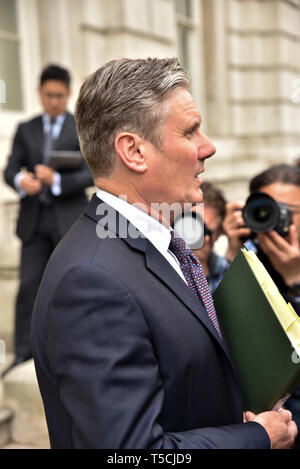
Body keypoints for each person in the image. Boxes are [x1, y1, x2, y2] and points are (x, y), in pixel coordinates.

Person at [31, 58, 297, 449]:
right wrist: (256, 437)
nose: (209, 147)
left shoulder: (158, 244)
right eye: (191, 132)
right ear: (134, 151)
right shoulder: (91, 281)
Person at [3, 64, 93, 369]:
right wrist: (21, 182)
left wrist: (55, 181)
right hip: (34, 222)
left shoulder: (81, 128)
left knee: (71, 286)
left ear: (68, 95)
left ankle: (73, 353)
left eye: (59, 95)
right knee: (29, 286)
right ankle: (22, 355)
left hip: (69, 222)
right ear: (40, 94)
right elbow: (10, 169)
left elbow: (92, 172)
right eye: (48, 95)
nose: (54, 101)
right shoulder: (25, 129)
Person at [223, 163, 300, 448]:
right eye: (265, 208)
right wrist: (232, 256)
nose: (272, 218)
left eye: (287, 211)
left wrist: (295, 279)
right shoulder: (239, 259)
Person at [192, 181, 229, 292]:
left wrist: (201, 267)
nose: (199, 236)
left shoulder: (223, 269)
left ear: (218, 234)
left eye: (207, 231)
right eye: (193, 226)